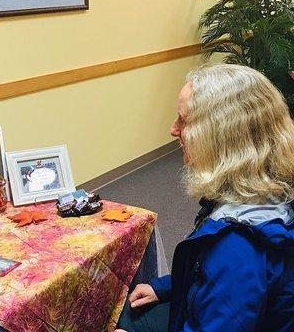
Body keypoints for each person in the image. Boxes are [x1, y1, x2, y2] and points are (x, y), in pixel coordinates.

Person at [116, 64, 294, 331]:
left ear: (220, 137)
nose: (173, 130)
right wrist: (165, 286)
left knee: (126, 320)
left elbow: (228, 282)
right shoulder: (273, 188)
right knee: (134, 312)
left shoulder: (234, 248)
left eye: (184, 120)